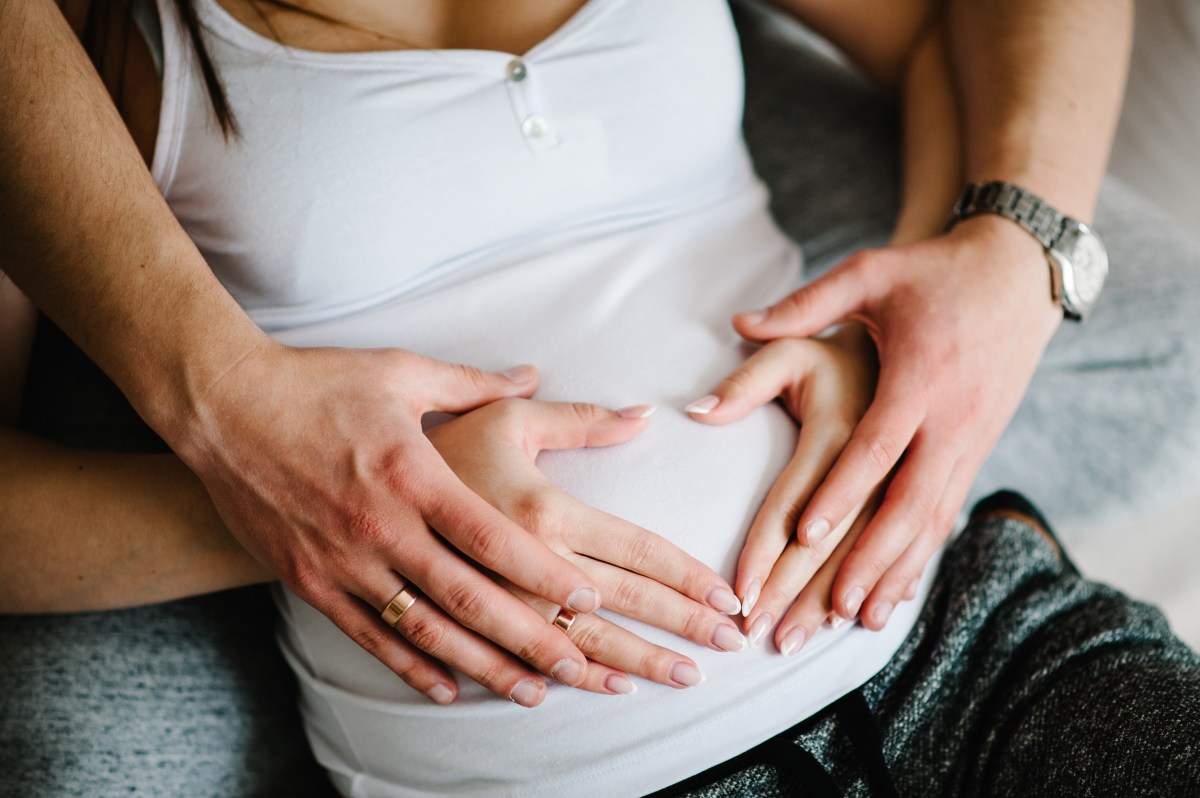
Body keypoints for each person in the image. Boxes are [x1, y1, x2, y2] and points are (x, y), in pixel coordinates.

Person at [2, 0, 1199, 794]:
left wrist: (943, 281)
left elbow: (949, 29)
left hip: (972, 639)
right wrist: (352, 513)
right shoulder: (96, 39)